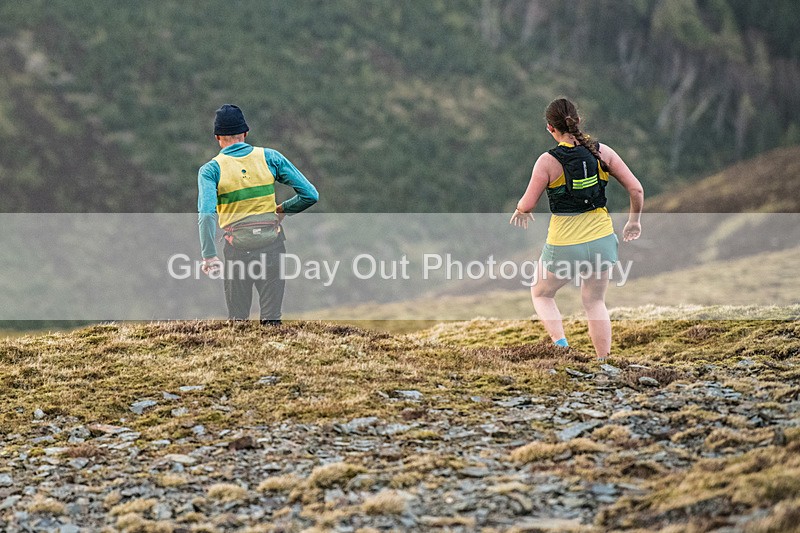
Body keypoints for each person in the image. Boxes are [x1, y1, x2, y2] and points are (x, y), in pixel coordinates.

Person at [510, 98, 643, 359]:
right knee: (594, 301)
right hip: (602, 239)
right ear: (578, 121)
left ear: (551, 128)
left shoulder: (547, 162)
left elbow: (528, 203)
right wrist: (634, 221)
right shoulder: (602, 152)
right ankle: (603, 361)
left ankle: (562, 348)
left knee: (541, 294)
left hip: (564, 244)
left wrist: (520, 211)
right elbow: (636, 188)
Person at [198, 104, 318, 324]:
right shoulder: (270, 157)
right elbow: (310, 195)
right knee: (272, 321)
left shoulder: (211, 170)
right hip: (272, 246)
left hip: (237, 250)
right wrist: (281, 210)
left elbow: (206, 214)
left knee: (238, 322)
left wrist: (209, 255)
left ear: (217, 137)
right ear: (245, 133)